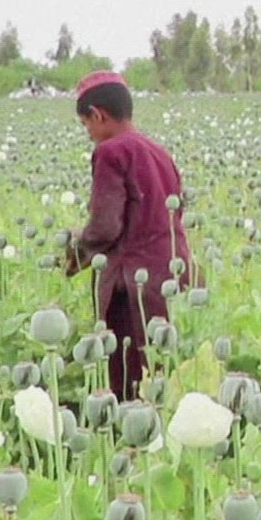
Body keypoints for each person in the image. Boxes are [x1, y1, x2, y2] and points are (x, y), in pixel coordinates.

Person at [63, 71, 191, 399]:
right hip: (174, 271)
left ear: (98, 115)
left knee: (129, 378)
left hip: (132, 284)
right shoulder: (158, 151)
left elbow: (106, 226)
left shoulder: (110, 151)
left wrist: (78, 250)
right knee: (162, 369)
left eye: (86, 125)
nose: (89, 134)